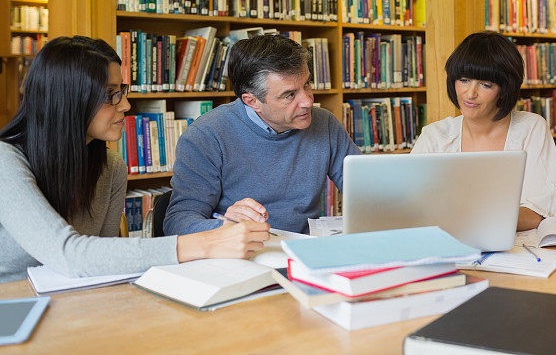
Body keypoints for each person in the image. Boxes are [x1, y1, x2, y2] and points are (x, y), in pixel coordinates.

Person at [0, 36, 270, 283]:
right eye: (110, 95)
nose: (126, 105)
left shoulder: (111, 168)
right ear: (68, 100)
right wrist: (207, 243)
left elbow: (103, 262)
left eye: (122, 90)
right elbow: (69, 254)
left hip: (72, 307)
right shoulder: (5, 160)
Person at [164, 34, 360, 236]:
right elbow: (178, 223)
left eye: (307, 84)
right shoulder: (206, 136)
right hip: (240, 257)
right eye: (290, 95)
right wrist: (227, 227)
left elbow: (368, 192)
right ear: (252, 101)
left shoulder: (324, 124)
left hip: (303, 252)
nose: (308, 101)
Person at [411, 31, 556, 230]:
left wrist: (469, 220)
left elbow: (538, 215)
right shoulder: (435, 136)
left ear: (504, 89)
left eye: (485, 84)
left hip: (518, 254)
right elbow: (409, 206)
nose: (470, 93)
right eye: (464, 80)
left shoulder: (531, 129)